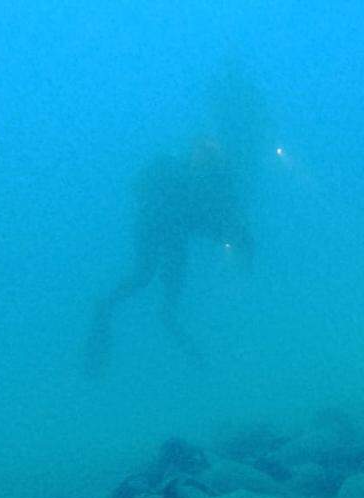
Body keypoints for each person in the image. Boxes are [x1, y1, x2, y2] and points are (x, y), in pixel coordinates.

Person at [86, 62, 268, 374]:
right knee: (148, 281)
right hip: (162, 228)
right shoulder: (188, 178)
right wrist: (237, 239)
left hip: (168, 231)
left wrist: (237, 239)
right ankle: (117, 320)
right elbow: (211, 222)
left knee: (154, 286)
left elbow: (213, 222)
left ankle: (184, 349)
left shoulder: (203, 181)